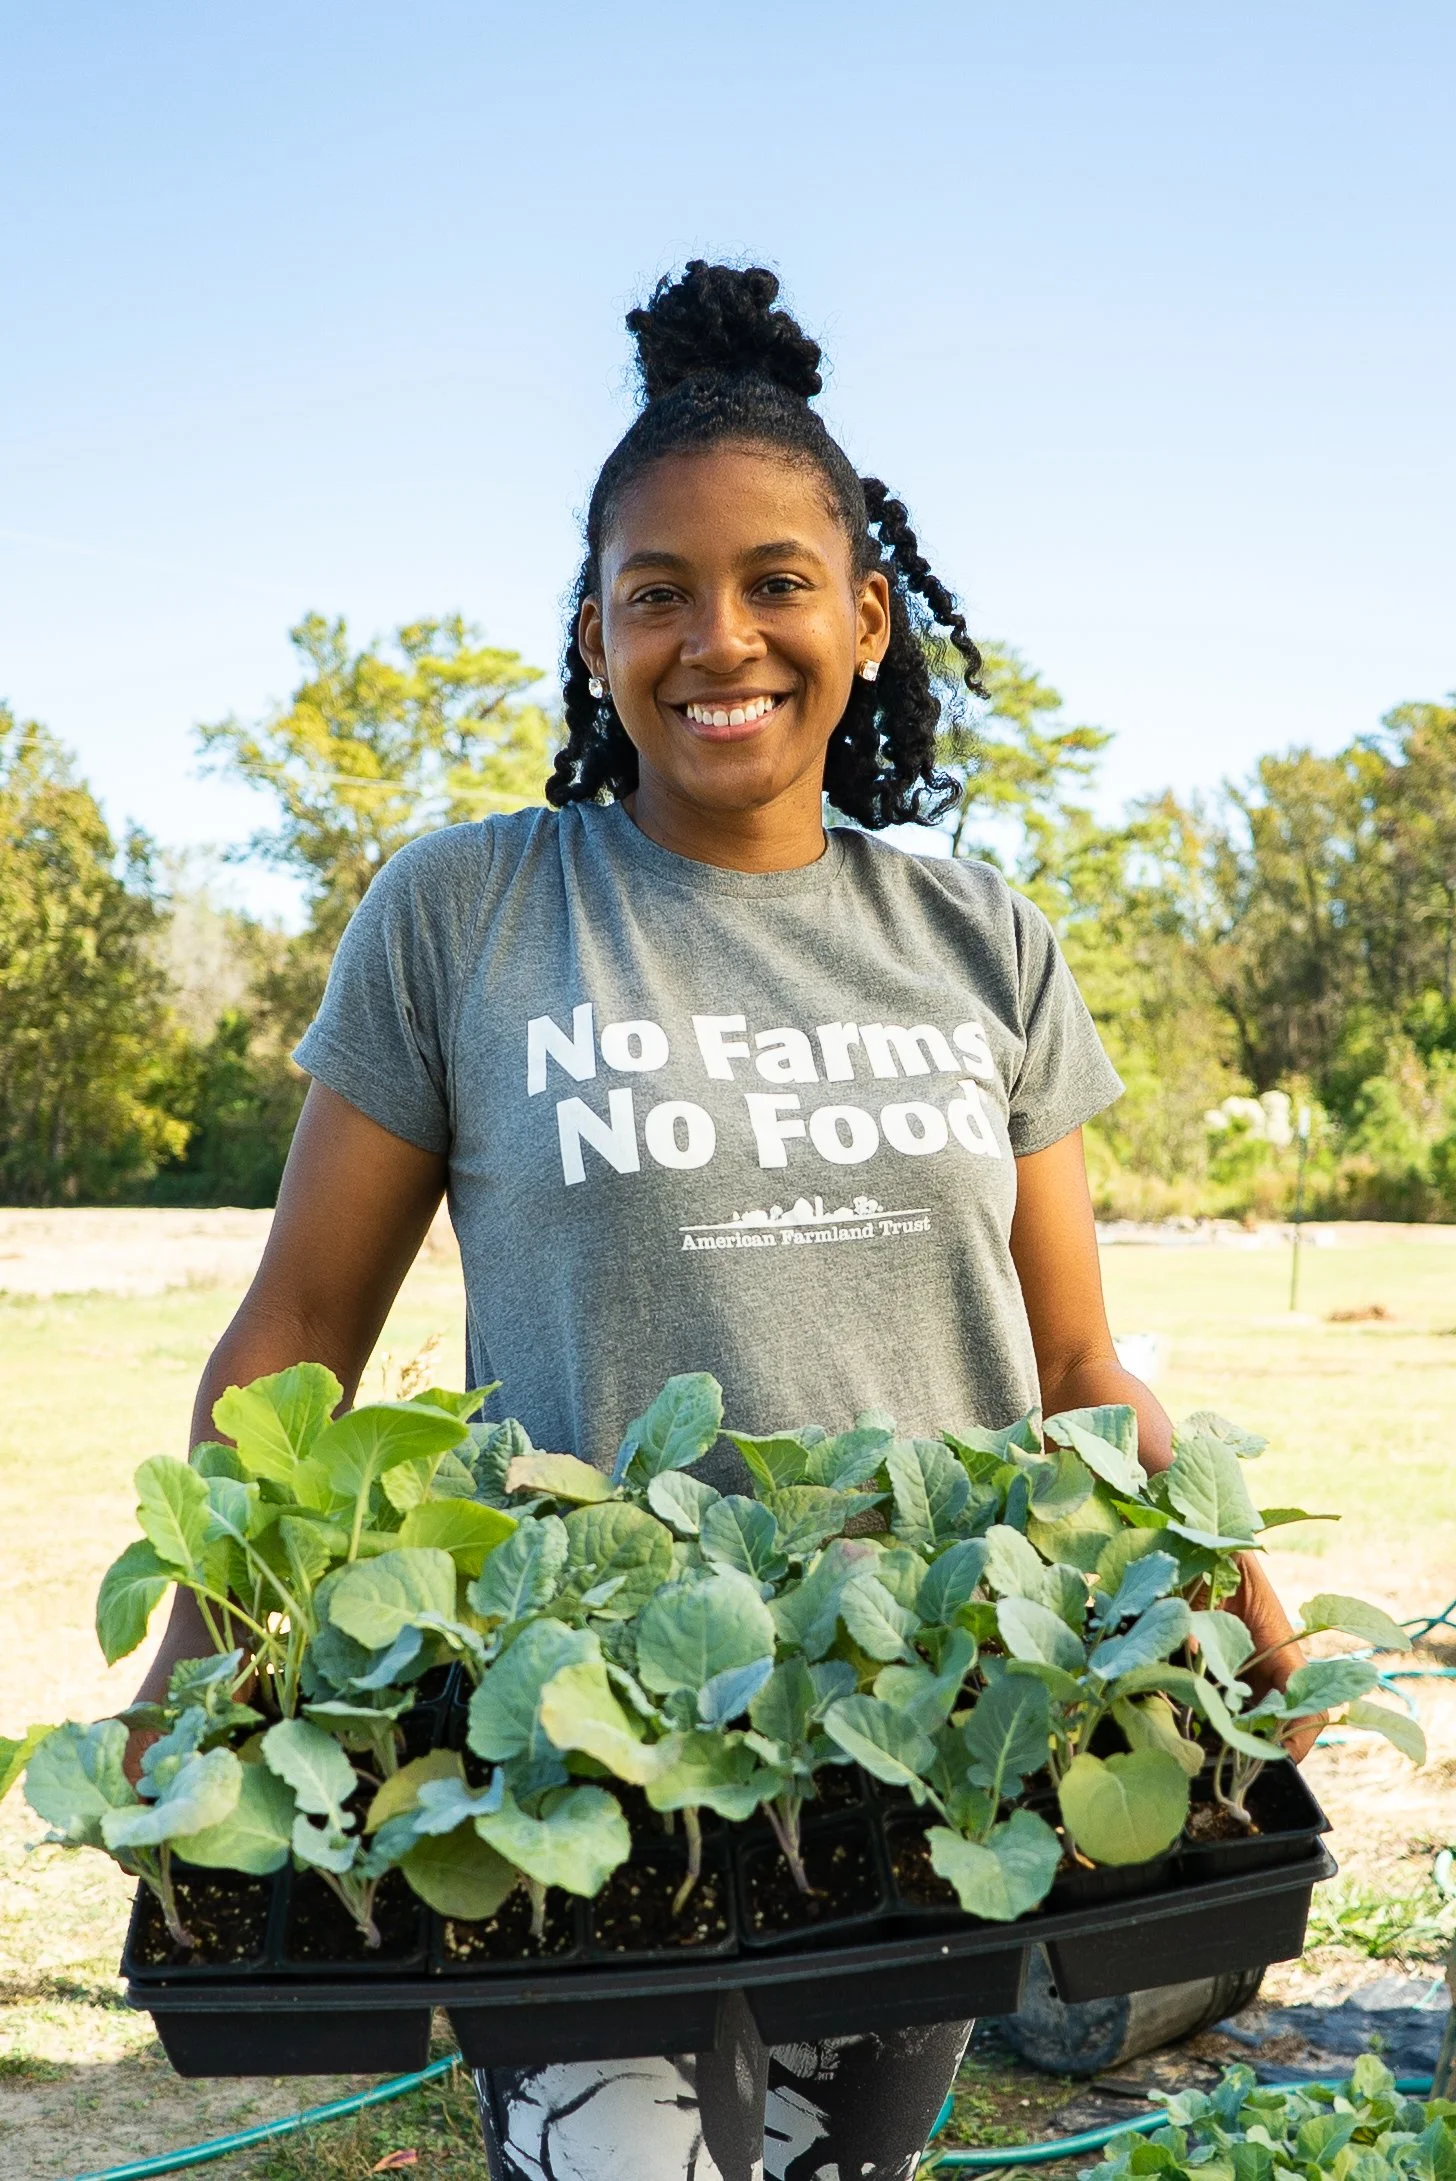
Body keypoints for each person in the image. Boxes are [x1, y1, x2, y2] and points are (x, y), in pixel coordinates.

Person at [131, 261, 1313, 2181]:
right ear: (593, 634)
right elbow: (297, 1340)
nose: (719, 639)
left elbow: (1077, 1354)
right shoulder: (469, 916)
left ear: (865, 615)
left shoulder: (979, 939)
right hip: (584, 1739)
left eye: (775, 581)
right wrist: (200, 1651)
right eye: (655, 593)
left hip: (920, 1729)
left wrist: (1207, 1560)